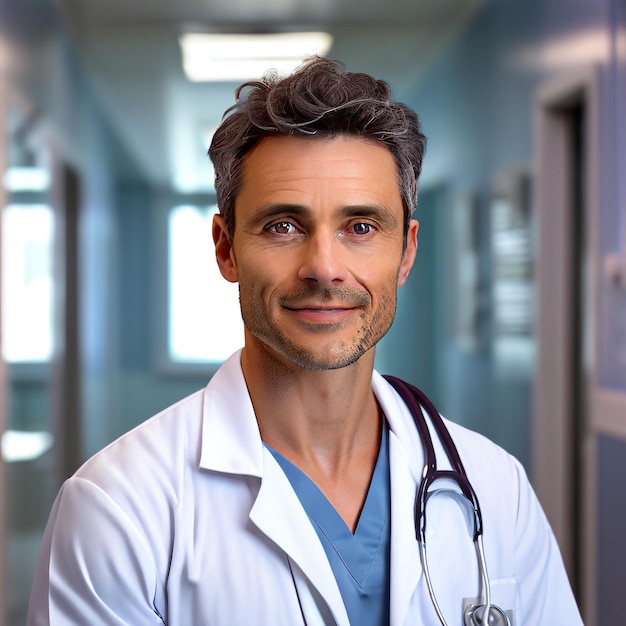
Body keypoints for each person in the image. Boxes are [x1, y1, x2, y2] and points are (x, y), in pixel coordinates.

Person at [28, 57, 583, 625]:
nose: (324, 267)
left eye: (360, 227)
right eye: (283, 225)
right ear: (225, 248)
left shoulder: (495, 486)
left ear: (407, 252)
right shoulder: (117, 508)